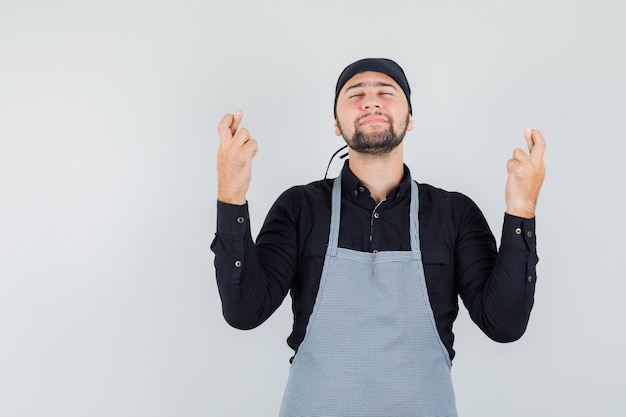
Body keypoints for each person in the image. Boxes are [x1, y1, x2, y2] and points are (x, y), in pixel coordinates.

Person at [211, 58, 546, 417]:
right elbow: (244, 312)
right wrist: (231, 192)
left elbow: (505, 325)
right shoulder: (300, 208)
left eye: (386, 92)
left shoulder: (454, 214)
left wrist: (521, 206)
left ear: (411, 119)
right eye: (356, 94)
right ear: (337, 125)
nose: (371, 101)